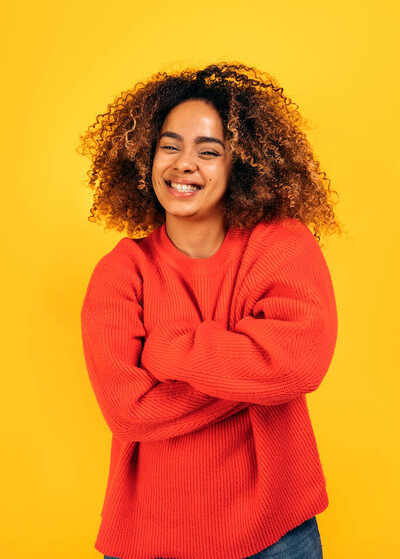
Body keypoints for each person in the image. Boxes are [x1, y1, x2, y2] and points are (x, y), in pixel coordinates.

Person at [78, 62, 345, 559]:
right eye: (169, 145)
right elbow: (130, 412)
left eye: (209, 151)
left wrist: (171, 352)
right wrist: (254, 378)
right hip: (150, 537)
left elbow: (299, 364)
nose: (184, 163)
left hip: (277, 533)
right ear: (145, 158)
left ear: (239, 164)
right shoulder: (121, 272)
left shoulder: (280, 245)